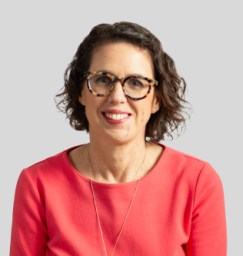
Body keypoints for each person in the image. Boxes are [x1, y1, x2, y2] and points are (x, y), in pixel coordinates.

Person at [10, 21, 227, 256]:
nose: (117, 96)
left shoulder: (196, 183)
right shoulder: (37, 184)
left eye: (136, 83)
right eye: (103, 79)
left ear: (156, 99)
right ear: (81, 91)